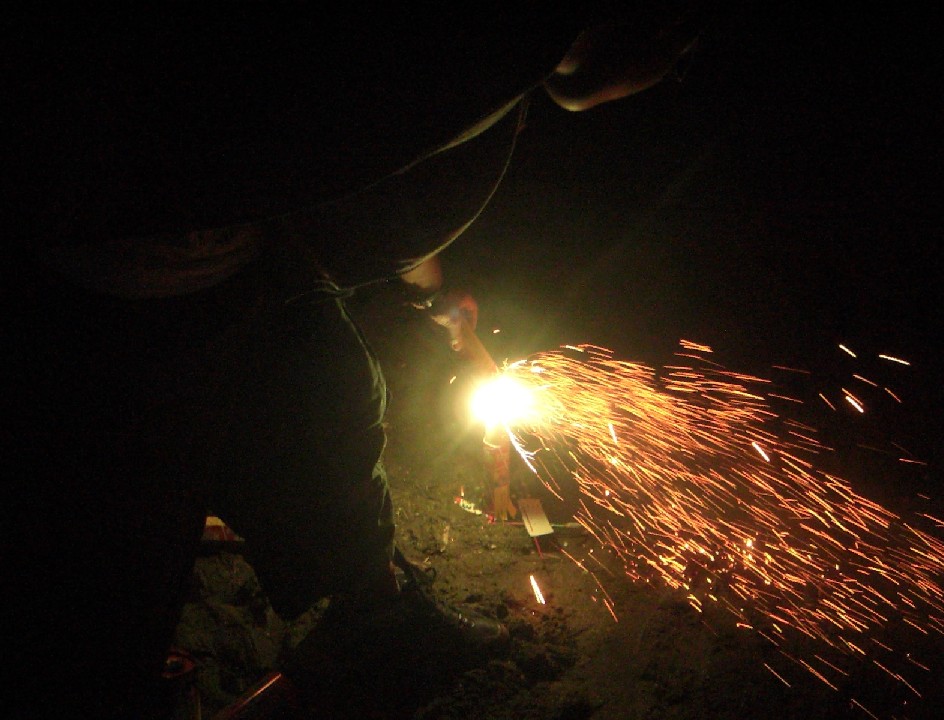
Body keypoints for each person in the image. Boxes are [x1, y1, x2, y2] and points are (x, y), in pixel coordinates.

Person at [3, 6, 704, 718]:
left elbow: (384, 173)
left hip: (230, 256)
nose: (666, 71)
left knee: (334, 391)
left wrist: (434, 293)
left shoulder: (496, 63)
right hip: (131, 268)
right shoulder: (499, 43)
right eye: (675, 48)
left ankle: (378, 609)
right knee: (132, 533)